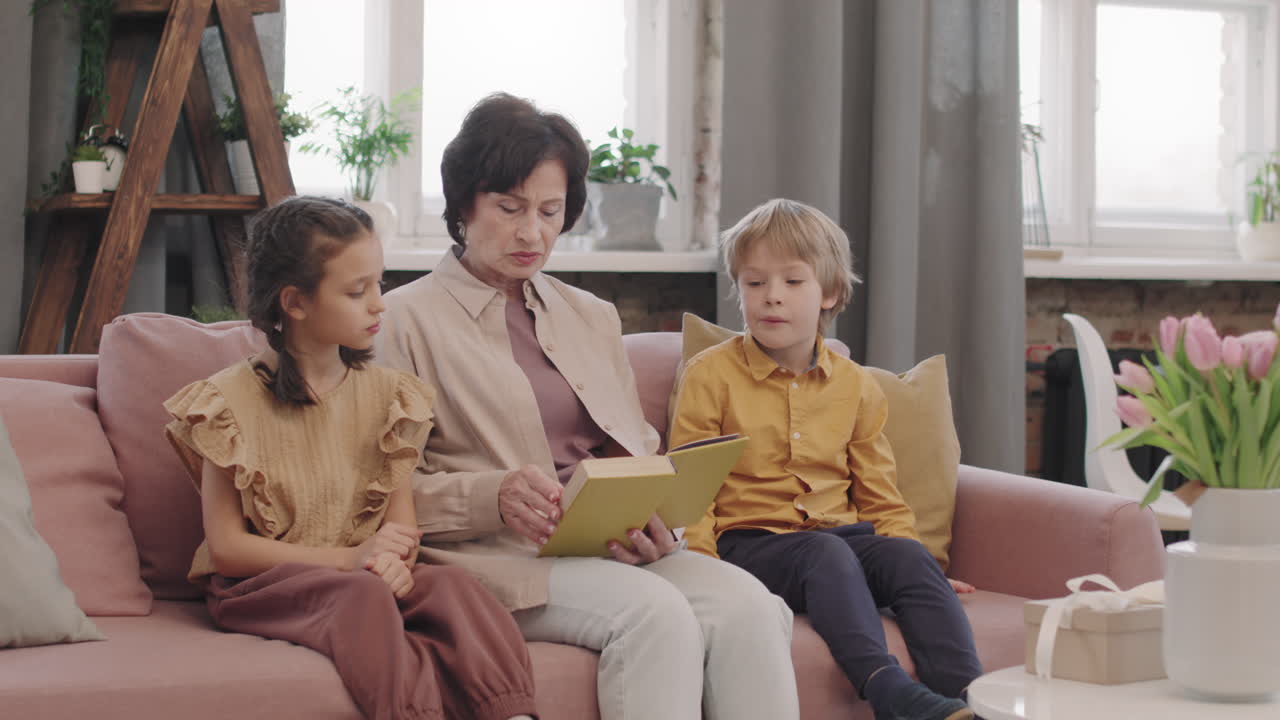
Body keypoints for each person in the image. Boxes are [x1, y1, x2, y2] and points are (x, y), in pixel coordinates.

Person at [374, 93, 799, 720]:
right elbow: (383, 491)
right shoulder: (402, 321)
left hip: (601, 548)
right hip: (491, 557)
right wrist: (494, 495)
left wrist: (658, 522)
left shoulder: (591, 316)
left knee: (754, 606)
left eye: (550, 211)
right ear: (463, 205)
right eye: (509, 207)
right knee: (654, 615)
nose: (531, 232)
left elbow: (632, 450)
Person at [163, 196, 538, 720]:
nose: (379, 303)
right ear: (295, 303)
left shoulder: (392, 397)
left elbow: (402, 531)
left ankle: (511, 714)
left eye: (378, 284)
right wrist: (352, 560)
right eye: (357, 291)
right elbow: (227, 549)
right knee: (361, 599)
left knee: (454, 587)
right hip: (264, 586)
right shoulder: (226, 404)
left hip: (364, 574)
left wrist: (391, 561)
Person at [669, 198, 984, 720]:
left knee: (907, 558)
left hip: (839, 539)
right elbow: (691, 487)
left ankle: (968, 701)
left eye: (793, 282)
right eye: (755, 283)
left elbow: (880, 493)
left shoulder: (856, 386)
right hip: (751, 546)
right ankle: (889, 692)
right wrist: (704, 574)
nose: (772, 298)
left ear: (830, 293)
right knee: (824, 553)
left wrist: (924, 565)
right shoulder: (710, 376)